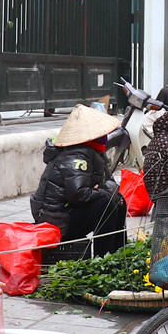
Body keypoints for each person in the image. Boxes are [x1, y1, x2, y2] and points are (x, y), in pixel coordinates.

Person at [30, 104, 129, 258]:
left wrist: (102, 189)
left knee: (119, 200)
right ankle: (104, 259)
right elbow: (77, 194)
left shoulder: (94, 152)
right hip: (58, 219)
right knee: (106, 204)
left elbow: (111, 183)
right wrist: (102, 191)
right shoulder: (76, 155)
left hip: (71, 211)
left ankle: (118, 255)